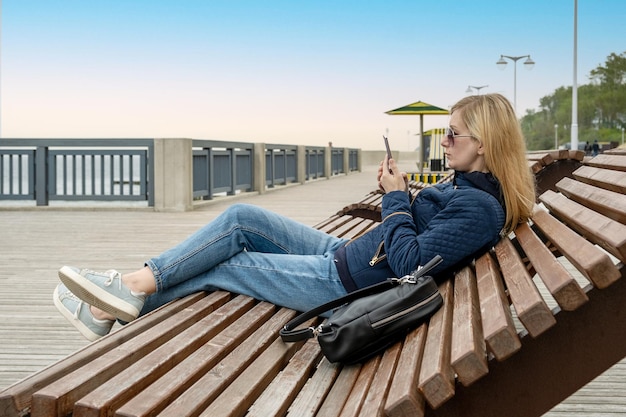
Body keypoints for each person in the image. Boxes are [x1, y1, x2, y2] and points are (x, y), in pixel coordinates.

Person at [53, 93, 536, 341]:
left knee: (228, 266)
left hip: (347, 285)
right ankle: (134, 287)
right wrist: (404, 194)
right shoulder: (470, 189)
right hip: (348, 257)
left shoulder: (479, 206)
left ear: (485, 143)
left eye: (452, 135)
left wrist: (394, 198)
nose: (443, 142)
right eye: (443, 133)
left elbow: (410, 264)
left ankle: (116, 301)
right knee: (242, 217)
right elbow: (419, 241)